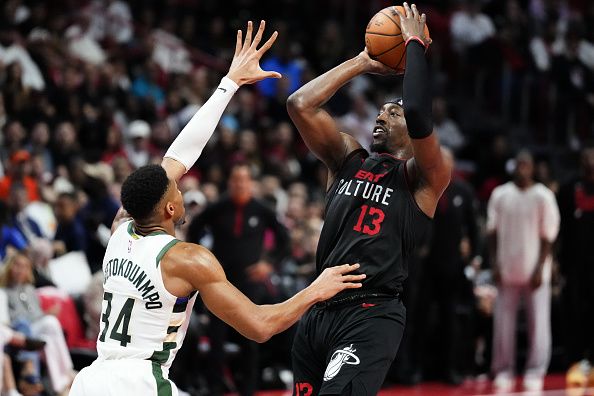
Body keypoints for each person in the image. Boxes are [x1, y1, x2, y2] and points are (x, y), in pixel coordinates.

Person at [69, 21, 365, 396]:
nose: (182, 179)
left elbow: (178, 155)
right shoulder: (188, 260)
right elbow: (259, 325)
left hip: (92, 380)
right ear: (172, 208)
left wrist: (230, 83)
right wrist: (316, 290)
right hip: (139, 384)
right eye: (178, 186)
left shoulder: (121, 228)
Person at [286, 4, 452, 395]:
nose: (381, 116)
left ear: (414, 134)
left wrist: (412, 45)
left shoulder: (423, 178)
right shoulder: (347, 158)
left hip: (371, 313)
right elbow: (299, 104)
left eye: (392, 113)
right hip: (318, 308)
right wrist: (361, 62)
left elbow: (417, 109)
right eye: (379, 111)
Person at [187, 163, 290, 395]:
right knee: (216, 337)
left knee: (251, 337)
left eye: (244, 180)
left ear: (250, 183)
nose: (240, 184)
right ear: (229, 182)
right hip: (218, 283)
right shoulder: (217, 208)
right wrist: (202, 257)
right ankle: (214, 387)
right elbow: (194, 229)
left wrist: (268, 264)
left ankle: (249, 389)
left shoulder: (261, 209)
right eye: (236, 179)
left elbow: (285, 240)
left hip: (249, 282)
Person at [487, 150, 560, 392]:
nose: (522, 168)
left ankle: (535, 370)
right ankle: (504, 369)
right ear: (513, 166)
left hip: (535, 270)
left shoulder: (544, 196)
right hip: (506, 266)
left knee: (539, 323)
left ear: (532, 167)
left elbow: (548, 237)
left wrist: (541, 267)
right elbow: (492, 232)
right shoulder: (500, 194)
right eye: (518, 164)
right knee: (503, 324)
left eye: (526, 164)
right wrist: (495, 263)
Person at [558, 146, 594, 387]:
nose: (590, 162)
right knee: (574, 310)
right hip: (573, 262)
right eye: (586, 159)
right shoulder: (569, 187)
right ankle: (574, 359)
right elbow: (558, 226)